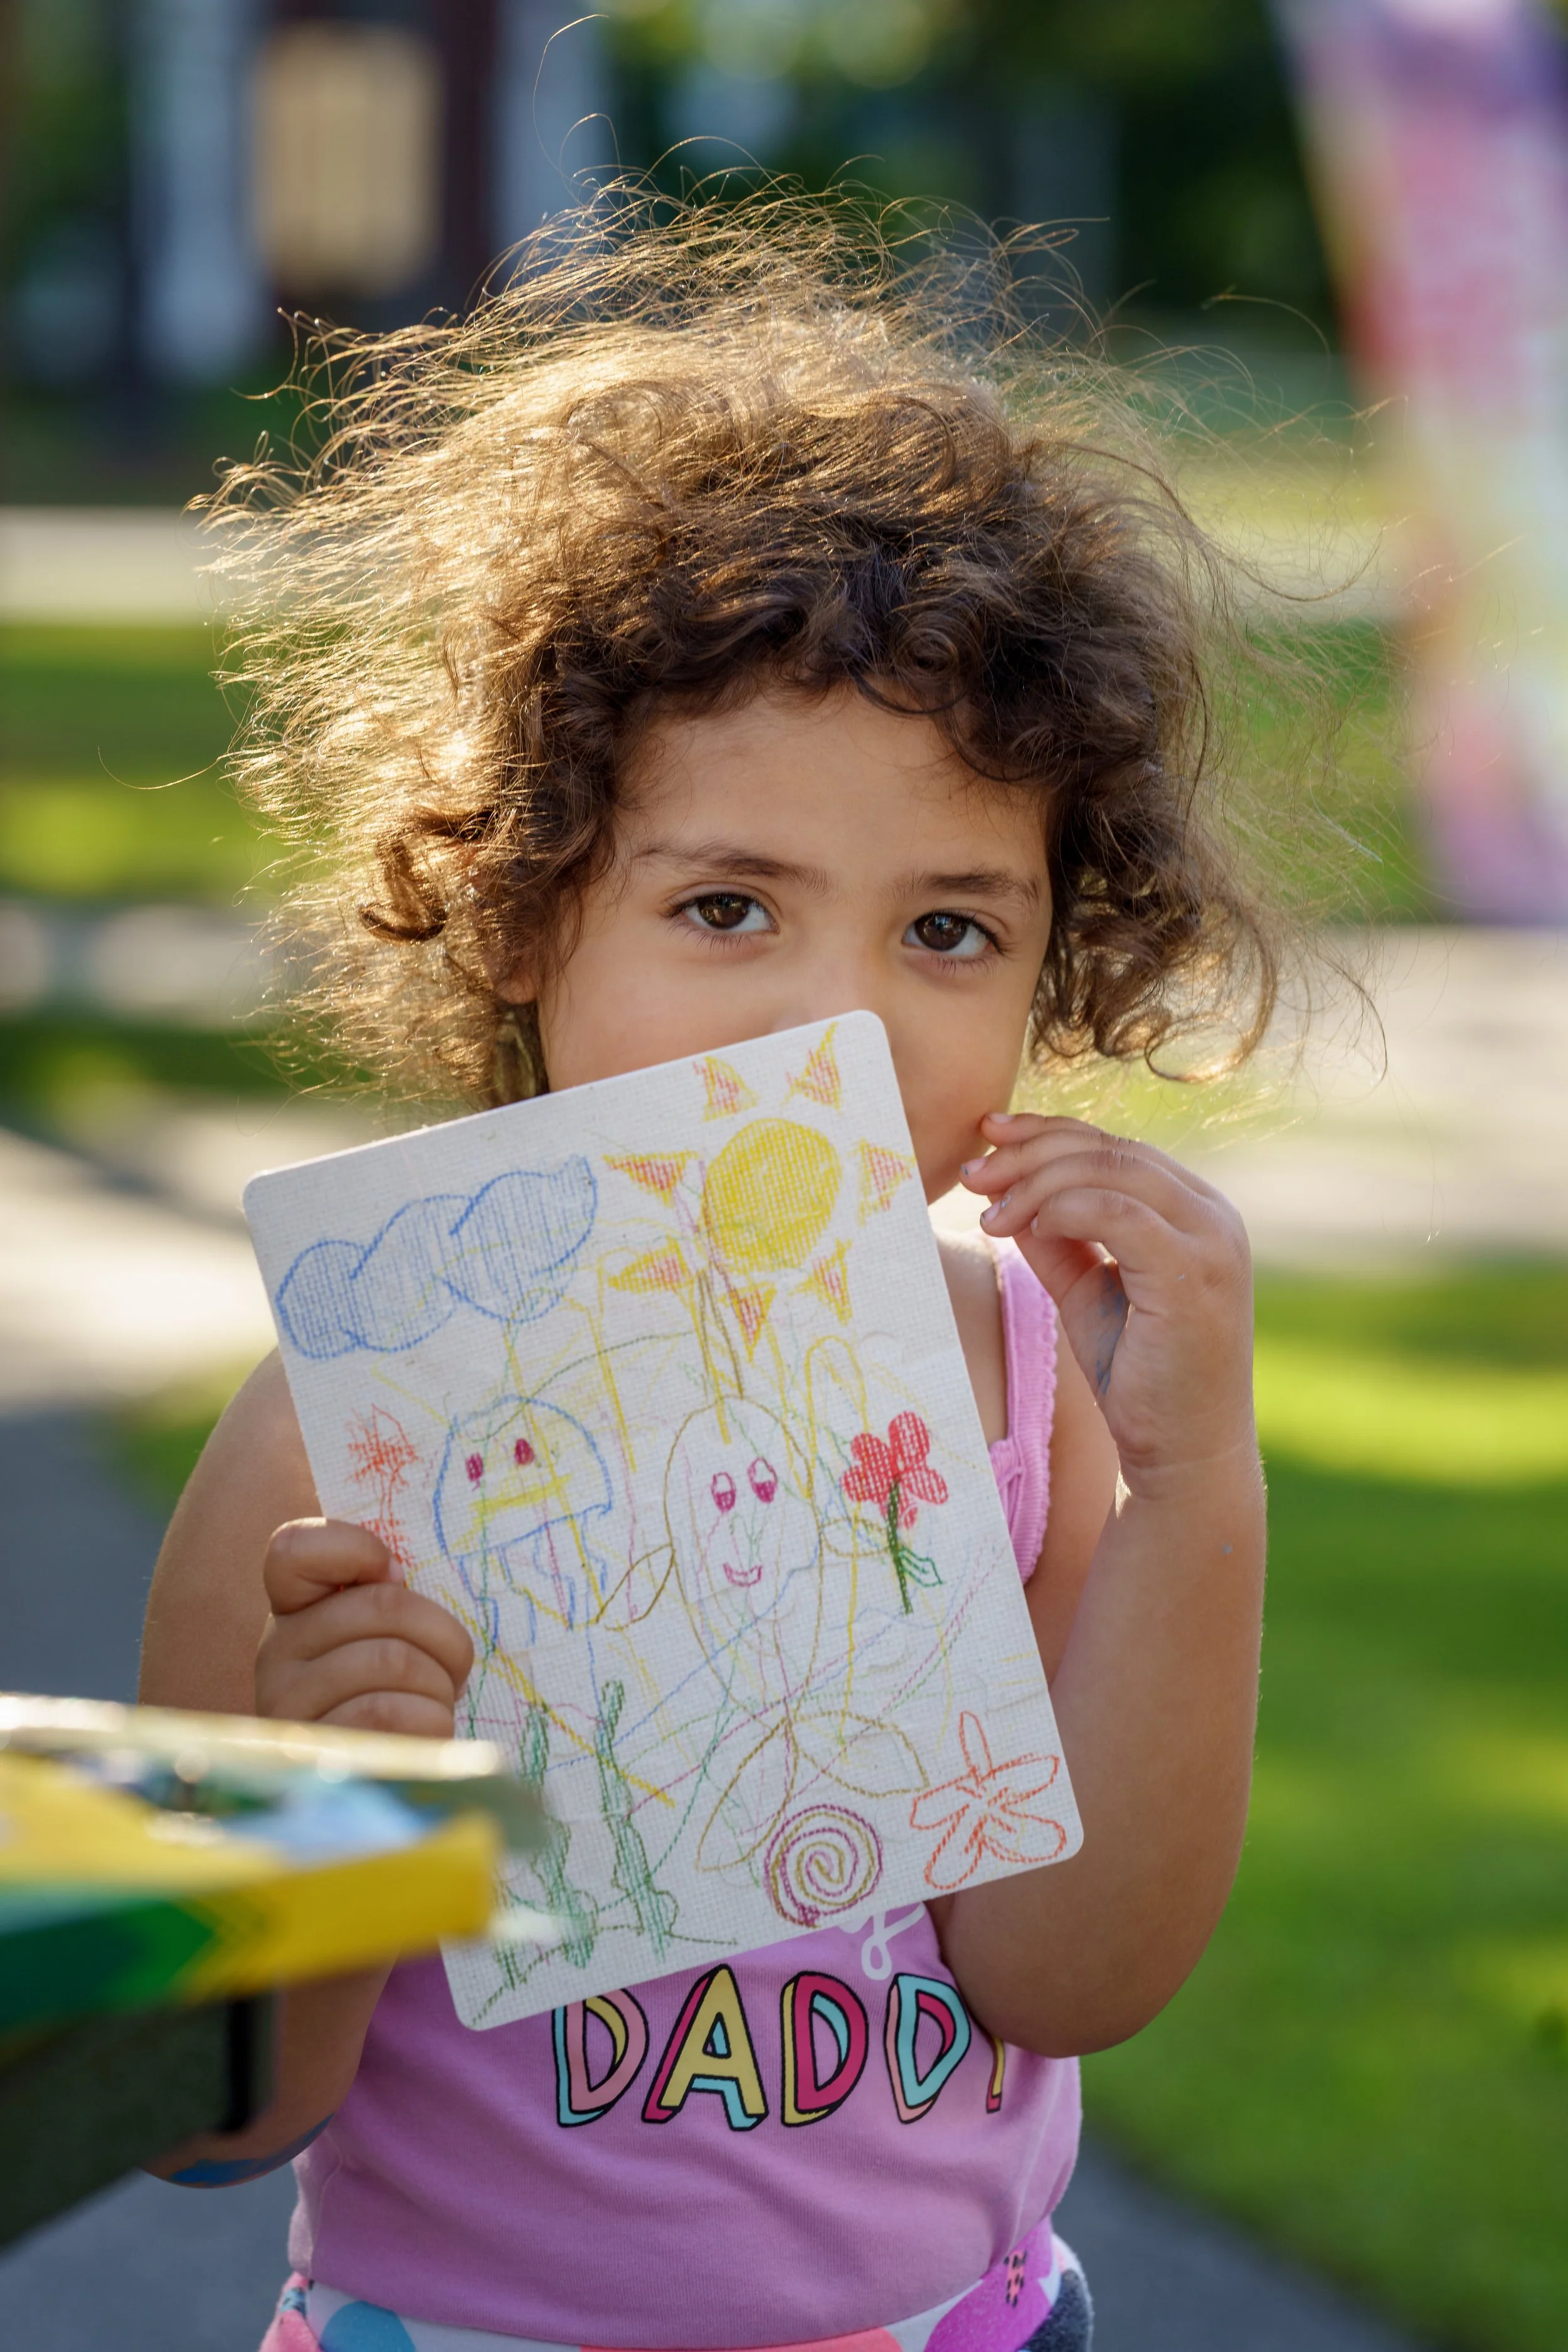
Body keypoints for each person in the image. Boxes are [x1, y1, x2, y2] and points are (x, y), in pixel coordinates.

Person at [139, 194, 1273, 2352]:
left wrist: (1190, 1481)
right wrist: (317, 1808)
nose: (829, 1029)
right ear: (526, 903)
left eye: (947, 928)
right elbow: (225, 2119)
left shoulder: (1023, 1373)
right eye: (730, 906)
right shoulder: (339, 1424)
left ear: (1057, 958)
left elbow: (1068, 1974)